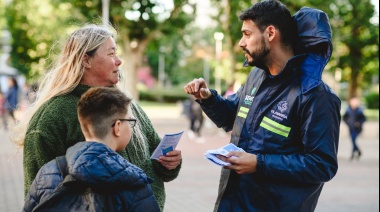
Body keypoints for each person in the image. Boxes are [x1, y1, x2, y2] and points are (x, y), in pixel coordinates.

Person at [184, 1, 341, 211]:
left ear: (270, 33)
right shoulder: (256, 76)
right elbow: (232, 117)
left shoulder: (316, 96)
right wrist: (207, 98)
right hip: (233, 203)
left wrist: (260, 163)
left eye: (247, 34)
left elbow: (322, 165)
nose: (241, 42)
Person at [11, 24, 182, 211]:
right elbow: (39, 197)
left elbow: (157, 158)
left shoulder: (127, 104)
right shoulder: (51, 117)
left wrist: (170, 164)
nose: (118, 61)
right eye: (111, 54)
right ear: (86, 60)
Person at [23, 87, 160, 212]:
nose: (130, 128)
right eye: (130, 122)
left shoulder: (47, 172)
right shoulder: (133, 182)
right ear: (117, 127)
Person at [343, 96, 366, 160]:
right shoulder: (348, 109)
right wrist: (348, 123)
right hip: (351, 128)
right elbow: (344, 118)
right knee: (353, 141)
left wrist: (359, 123)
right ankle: (358, 151)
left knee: (353, 140)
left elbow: (364, 119)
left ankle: (352, 154)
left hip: (357, 129)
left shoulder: (359, 110)